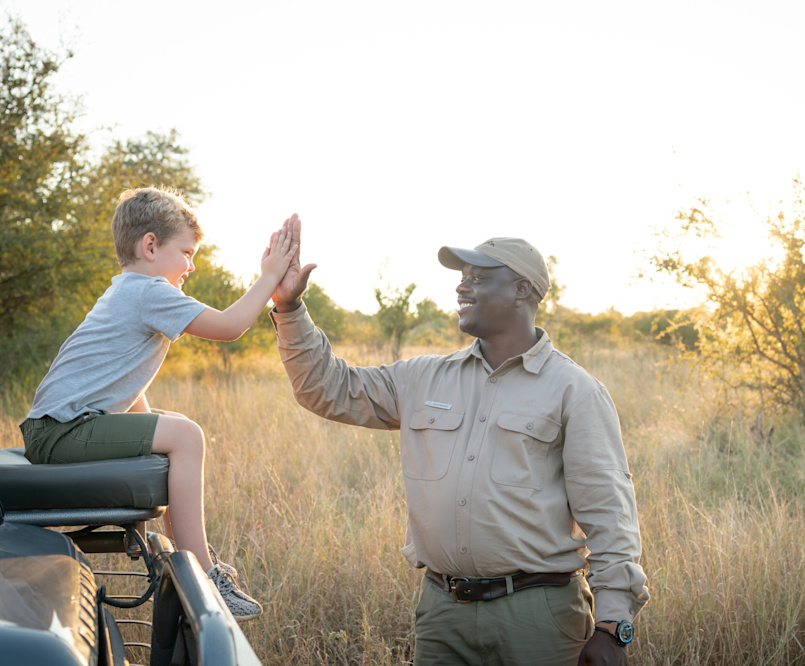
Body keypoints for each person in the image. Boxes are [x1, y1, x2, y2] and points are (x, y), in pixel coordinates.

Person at [270, 226, 650, 665]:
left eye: (479, 277)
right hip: (443, 612)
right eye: (462, 276)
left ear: (522, 290)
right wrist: (289, 305)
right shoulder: (422, 378)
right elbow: (326, 388)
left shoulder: (575, 391)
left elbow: (610, 514)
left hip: (539, 616)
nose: (461, 286)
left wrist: (611, 626)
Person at [19, 186, 297, 621]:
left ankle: (185, 558)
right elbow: (229, 326)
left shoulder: (125, 290)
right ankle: (204, 574)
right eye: (186, 253)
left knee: (172, 426)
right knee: (187, 435)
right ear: (150, 246)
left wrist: (148, 439)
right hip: (61, 431)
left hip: (53, 429)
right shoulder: (149, 291)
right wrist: (270, 276)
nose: (190, 265)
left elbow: (124, 386)